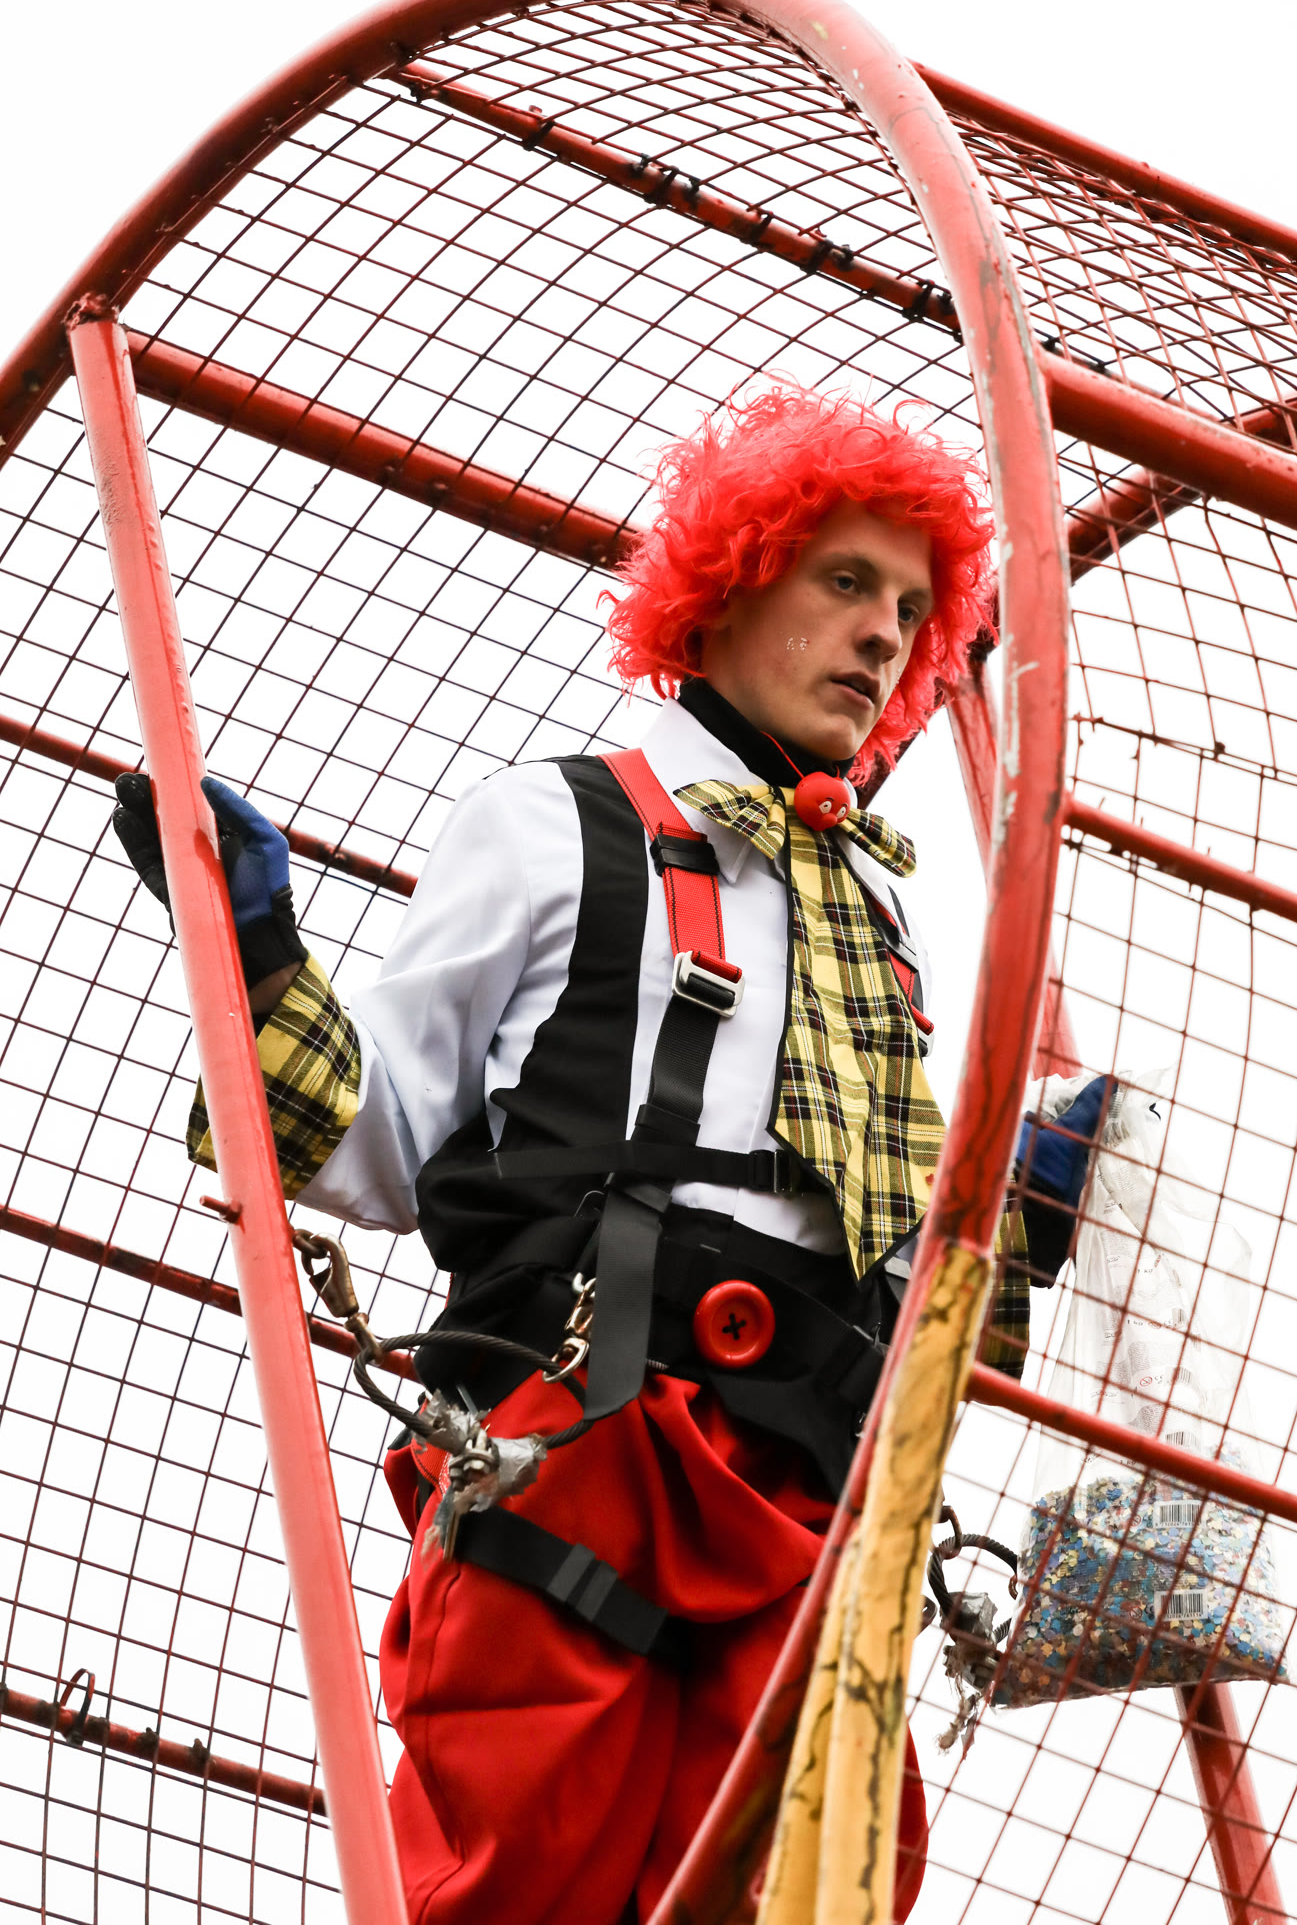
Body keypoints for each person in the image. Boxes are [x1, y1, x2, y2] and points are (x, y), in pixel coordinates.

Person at [113, 387, 1099, 1925]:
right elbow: (376, 1149)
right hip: (587, 1442)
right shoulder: (554, 826)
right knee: (525, 1870)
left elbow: (891, 1248)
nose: (883, 635)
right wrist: (258, 960)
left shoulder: (875, 916)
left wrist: (1013, 1218)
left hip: (812, 1491)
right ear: (727, 588)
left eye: (912, 611)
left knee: (817, 1884)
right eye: (846, 582)